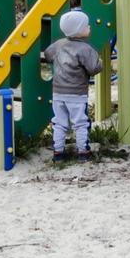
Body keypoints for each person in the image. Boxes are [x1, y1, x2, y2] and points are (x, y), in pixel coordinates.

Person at [42, 9, 103, 162]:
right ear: (79, 30)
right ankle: (83, 151)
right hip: (77, 94)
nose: (89, 27)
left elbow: (48, 55)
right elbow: (94, 68)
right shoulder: (85, 49)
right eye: (86, 26)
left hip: (58, 92)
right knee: (80, 122)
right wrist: (100, 62)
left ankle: (58, 152)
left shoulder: (58, 45)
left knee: (60, 122)